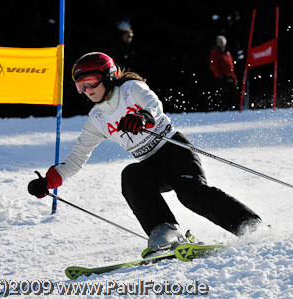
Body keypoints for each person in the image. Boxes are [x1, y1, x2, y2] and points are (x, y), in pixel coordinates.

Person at [28, 52, 261, 257]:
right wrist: (49, 181)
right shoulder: (97, 118)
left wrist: (143, 117)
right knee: (131, 175)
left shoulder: (130, 89)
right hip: (151, 165)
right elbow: (78, 156)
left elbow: (153, 104)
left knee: (191, 195)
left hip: (175, 150)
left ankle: (248, 224)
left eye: (91, 81)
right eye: (80, 85)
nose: (87, 90)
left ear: (107, 76)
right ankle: (165, 232)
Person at [209, 35, 239, 110]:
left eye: (223, 42)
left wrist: (234, 77)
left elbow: (231, 66)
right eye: (220, 42)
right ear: (217, 43)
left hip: (230, 76)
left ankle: (232, 108)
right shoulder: (215, 52)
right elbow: (213, 65)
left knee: (233, 94)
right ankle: (222, 108)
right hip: (221, 77)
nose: (222, 44)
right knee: (223, 94)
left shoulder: (227, 53)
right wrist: (219, 76)